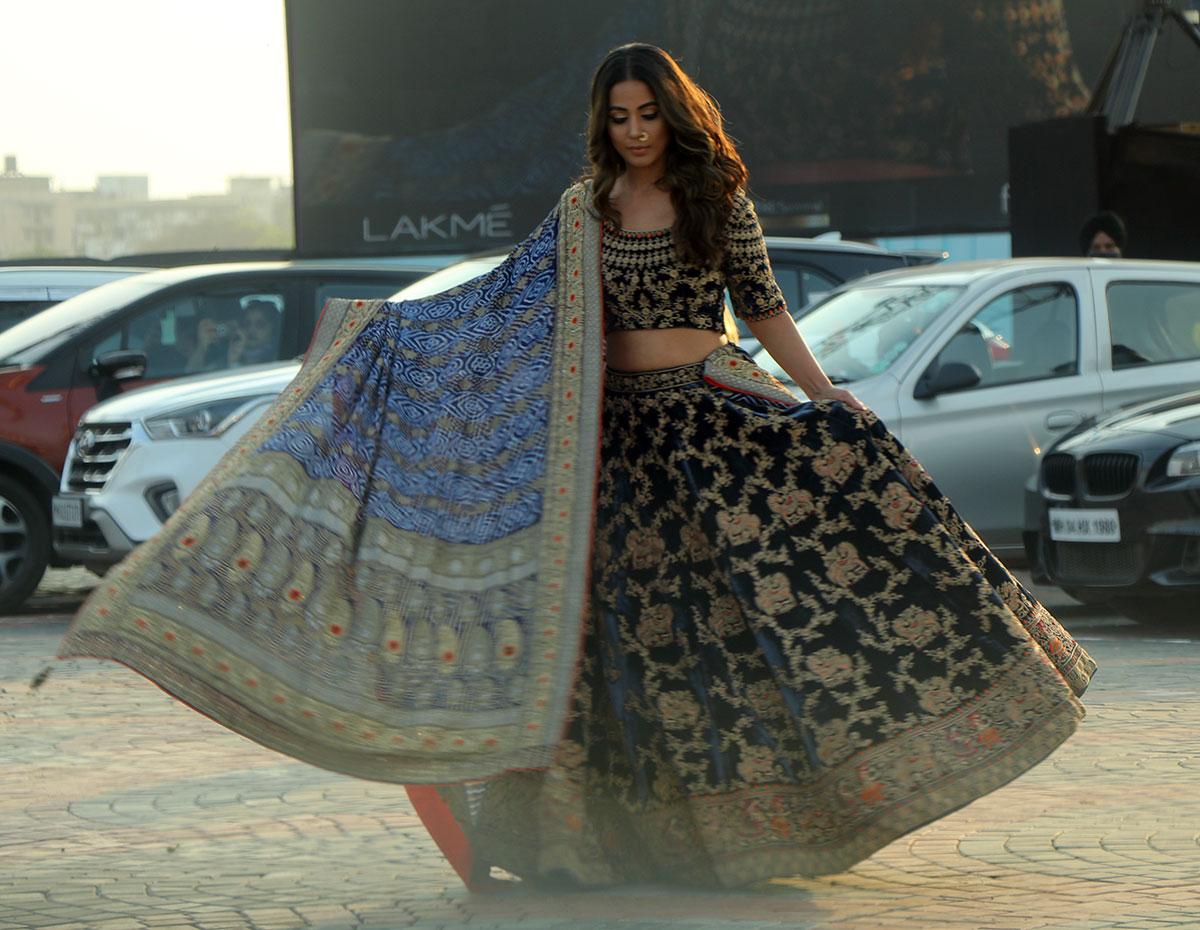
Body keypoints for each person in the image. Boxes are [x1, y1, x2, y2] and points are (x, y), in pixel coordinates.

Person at [59, 44, 1095, 891]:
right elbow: (511, 306)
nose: (634, 131)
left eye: (648, 113)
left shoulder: (716, 197)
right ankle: (582, 842)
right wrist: (389, 343)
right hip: (605, 443)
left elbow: (765, 304)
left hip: (707, 432)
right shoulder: (583, 207)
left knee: (726, 628)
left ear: (674, 114)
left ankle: (746, 832)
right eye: (618, 116)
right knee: (598, 645)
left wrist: (827, 396)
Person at [227, 300, 281, 367]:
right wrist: (233, 361)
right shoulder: (228, 355)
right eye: (247, 324)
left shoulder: (279, 360)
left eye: (260, 325)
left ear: (273, 330)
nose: (251, 330)